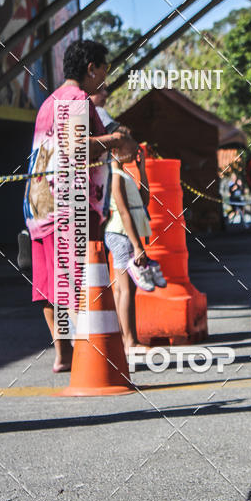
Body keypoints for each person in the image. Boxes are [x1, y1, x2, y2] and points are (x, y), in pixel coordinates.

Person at [23, 39, 134, 373]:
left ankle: (64, 353)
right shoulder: (76, 99)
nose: (105, 76)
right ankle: (90, 354)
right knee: (79, 278)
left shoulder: (49, 102)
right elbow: (75, 147)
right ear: (91, 69)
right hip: (70, 206)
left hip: (40, 206)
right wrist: (115, 140)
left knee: (49, 283)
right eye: (104, 69)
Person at [104, 139, 166, 357]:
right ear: (116, 150)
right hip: (121, 235)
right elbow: (123, 212)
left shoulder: (123, 174)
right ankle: (129, 340)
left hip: (126, 235)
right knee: (126, 288)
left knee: (125, 288)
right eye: (130, 145)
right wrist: (138, 246)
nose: (136, 149)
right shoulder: (114, 177)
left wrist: (141, 169)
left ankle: (128, 338)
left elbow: (144, 199)